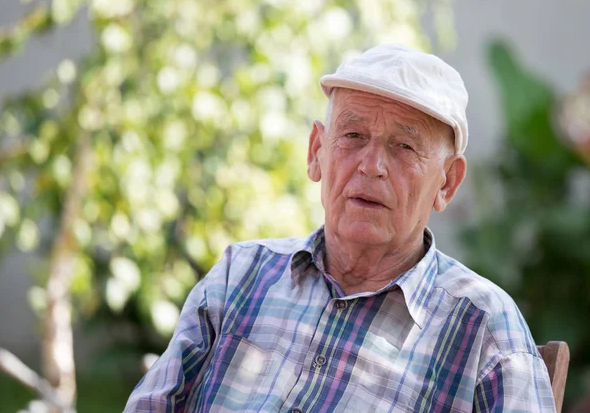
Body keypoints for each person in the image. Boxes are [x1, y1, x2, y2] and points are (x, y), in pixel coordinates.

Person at [124, 44, 556, 412]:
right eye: (352, 136)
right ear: (317, 151)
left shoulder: (484, 330)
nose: (371, 166)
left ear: (447, 182)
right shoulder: (241, 275)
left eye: (404, 146)